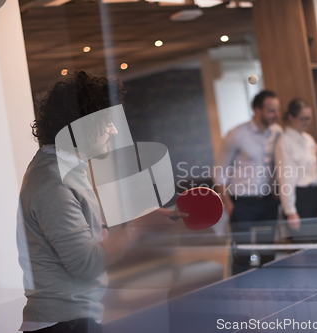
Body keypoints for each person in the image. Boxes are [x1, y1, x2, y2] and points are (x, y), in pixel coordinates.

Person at [17, 71, 187, 333]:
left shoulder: (64, 170)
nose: (115, 130)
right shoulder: (54, 181)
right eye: (107, 120)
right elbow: (87, 265)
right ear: (82, 124)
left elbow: (85, 241)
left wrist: (129, 223)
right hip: (63, 324)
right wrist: (140, 226)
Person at [214, 90, 282, 274]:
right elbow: (220, 171)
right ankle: (240, 294)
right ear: (257, 110)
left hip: (268, 201)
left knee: (268, 253)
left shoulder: (277, 133)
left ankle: (271, 292)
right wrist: (228, 204)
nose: (276, 114)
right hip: (242, 203)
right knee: (242, 255)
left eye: (277, 110)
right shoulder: (236, 134)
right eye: (271, 110)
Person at [275, 98, 317, 238]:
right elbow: (286, 178)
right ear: (291, 117)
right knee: (302, 244)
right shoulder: (284, 142)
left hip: (314, 194)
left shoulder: (309, 139)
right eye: (303, 118)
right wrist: (290, 210)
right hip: (299, 197)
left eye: (309, 118)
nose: (307, 121)